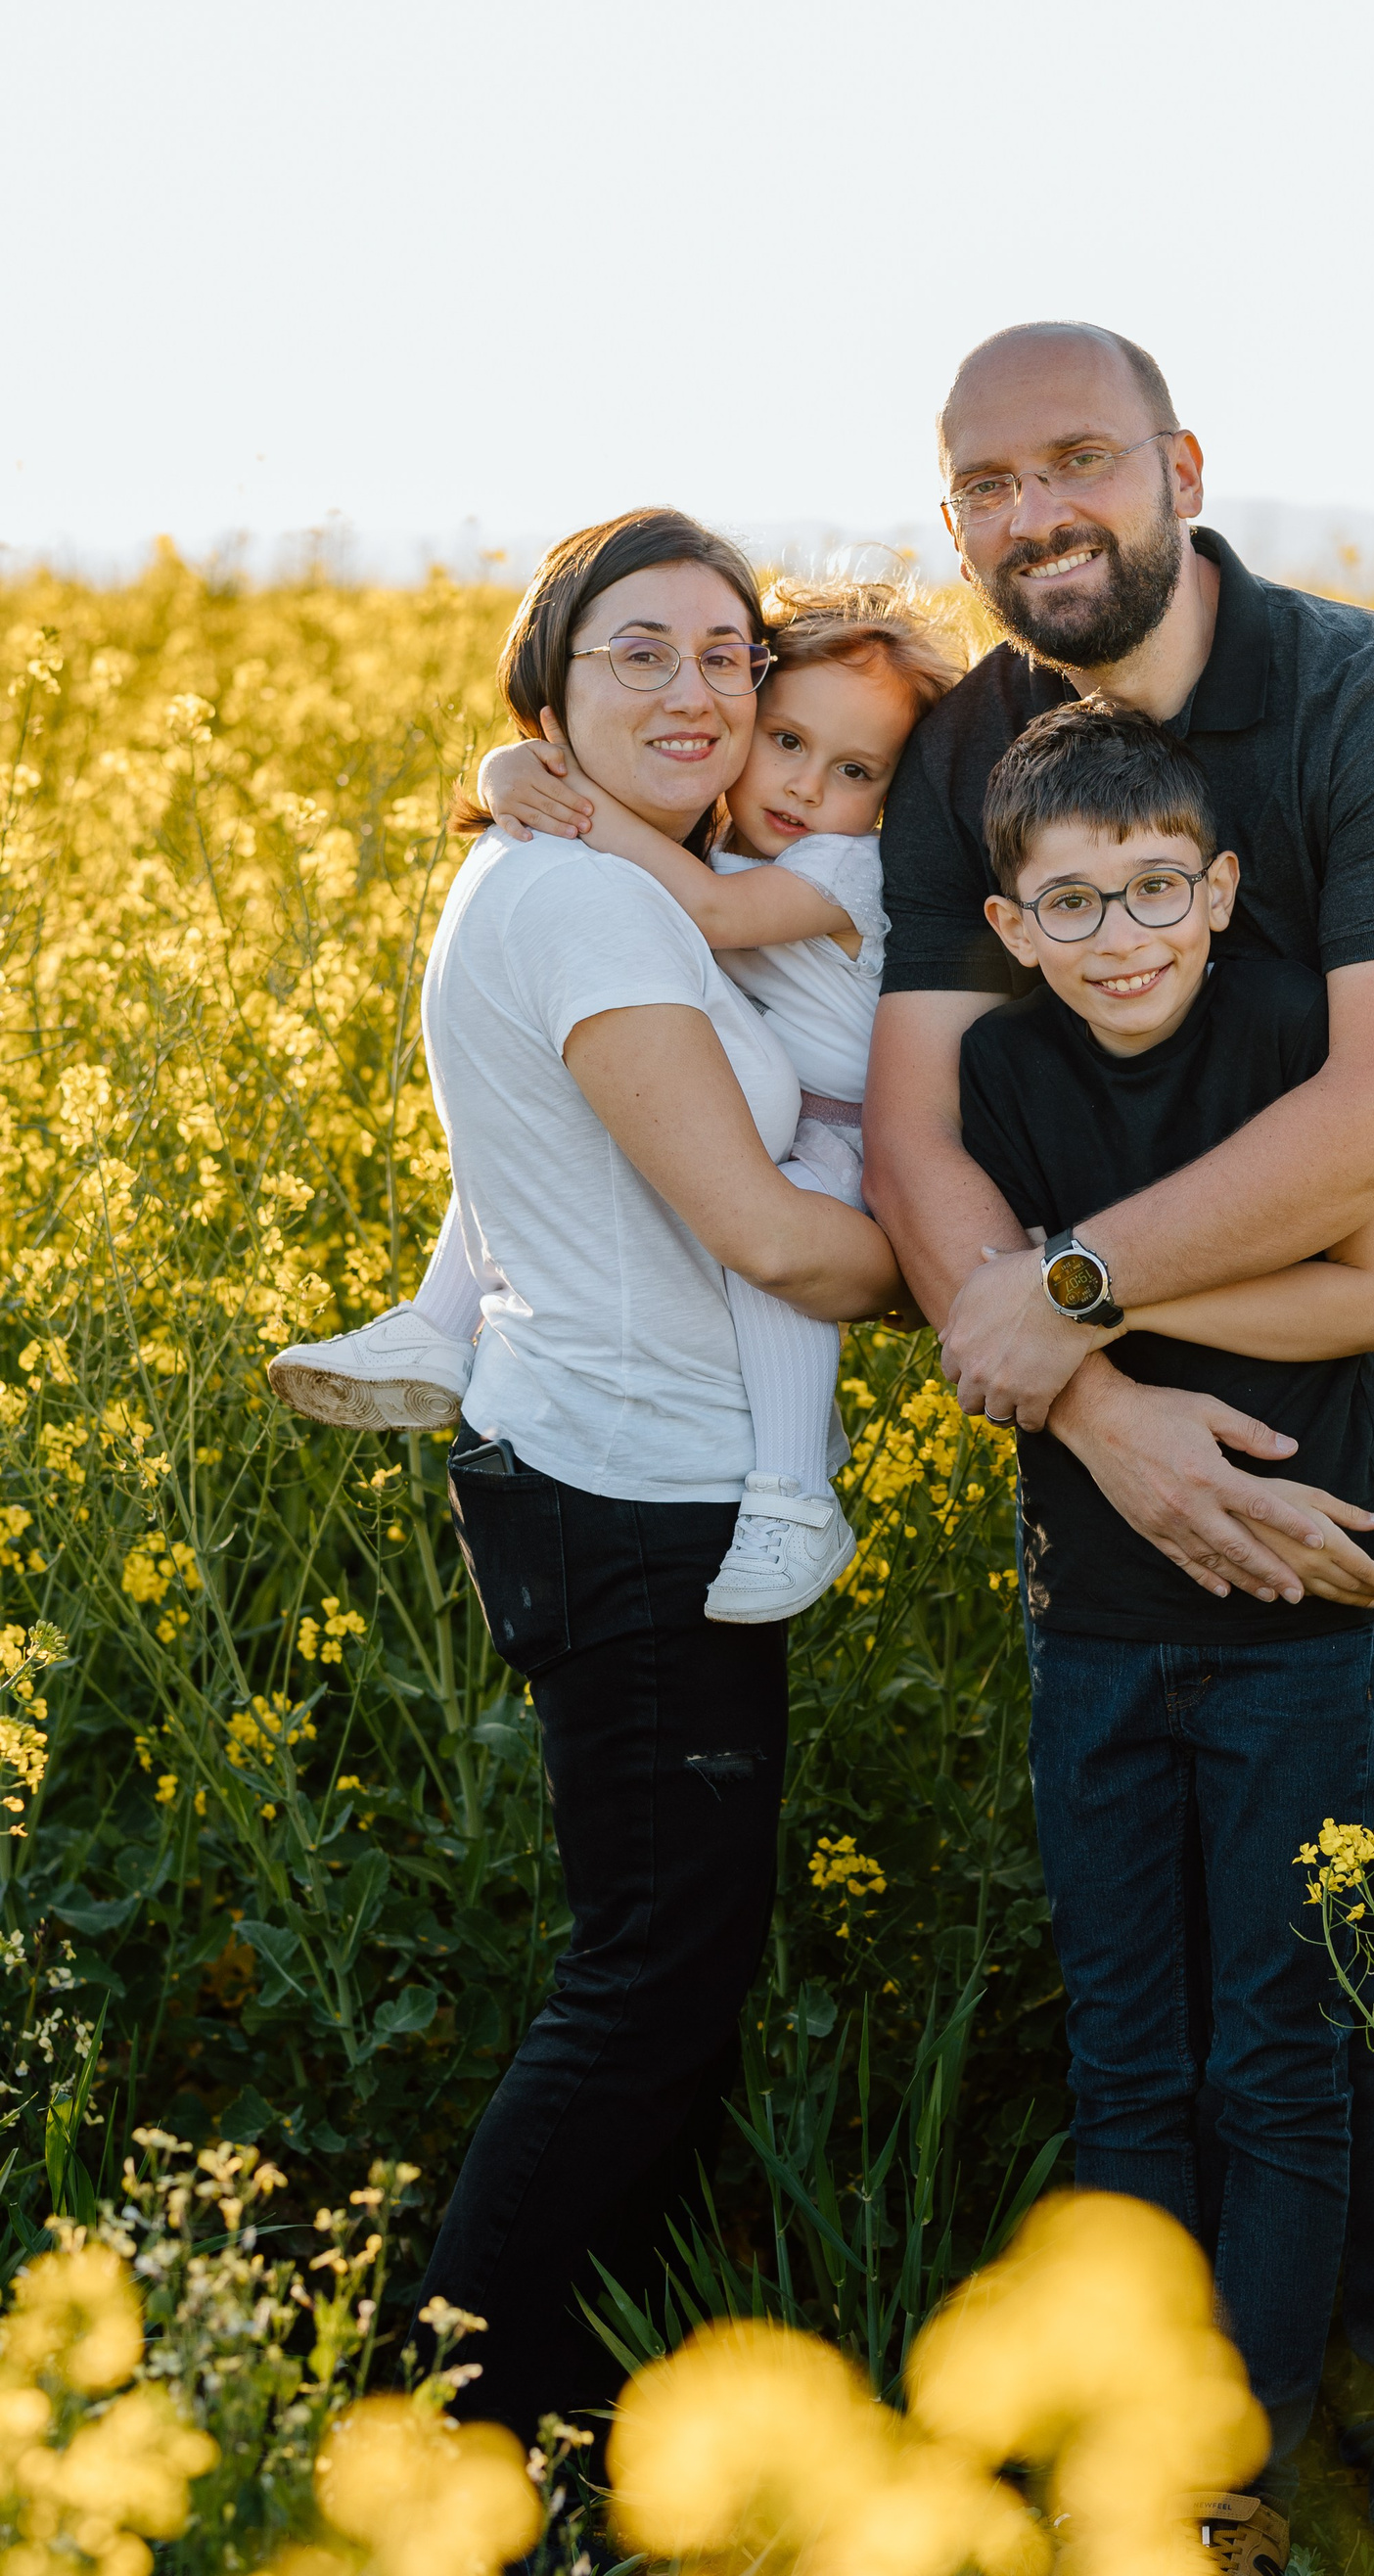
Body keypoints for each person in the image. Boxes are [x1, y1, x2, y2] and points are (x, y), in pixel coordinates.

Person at [864, 324, 1374, 2539]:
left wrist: (1061, 1303)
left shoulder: (1373, 705)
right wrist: (1102, 1415)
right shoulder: (970, 748)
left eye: (1075, 459)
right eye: (986, 484)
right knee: (1180, 2001)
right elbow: (919, 1127)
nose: (1035, 512)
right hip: (1111, 1478)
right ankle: (1209, 2450)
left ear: (1178, 465)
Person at [398, 507, 900, 2441]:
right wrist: (1007, 1288)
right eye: (640, 653)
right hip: (636, 1503)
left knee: (665, 1986)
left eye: (726, 657)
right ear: (550, 688)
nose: (698, 691)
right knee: (645, 1996)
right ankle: (454, 2450)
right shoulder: (598, 908)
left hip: (623, 1476)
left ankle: (562, 2425)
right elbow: (765, 1236)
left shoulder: (615, 874)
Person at [957, 698, 1374, 2535]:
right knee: (1129, 2061)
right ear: (1011, 929)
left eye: (1157, 887)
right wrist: (1061, 1301)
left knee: (1278, 2060)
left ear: (1222, 889)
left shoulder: (1297, 1031)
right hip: (1094, 1623)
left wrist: (1082, 1294)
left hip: (1298, 1628)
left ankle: (1246, 2475)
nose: (1122, 935)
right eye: (1071, 904)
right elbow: (978, 1322)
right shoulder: (1003, 1074)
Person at [271, 576, 960, 1622]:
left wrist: (566, 797)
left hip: (851, 1134)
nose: (806, 785)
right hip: (776, 1104)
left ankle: (793, 1493)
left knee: (770, 1264)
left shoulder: (846, 864)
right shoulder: (721, 835)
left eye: (855, 770)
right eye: (786, 742)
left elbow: (715, 913)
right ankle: (435, 1325)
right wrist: (515, 768)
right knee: (541, 1131)